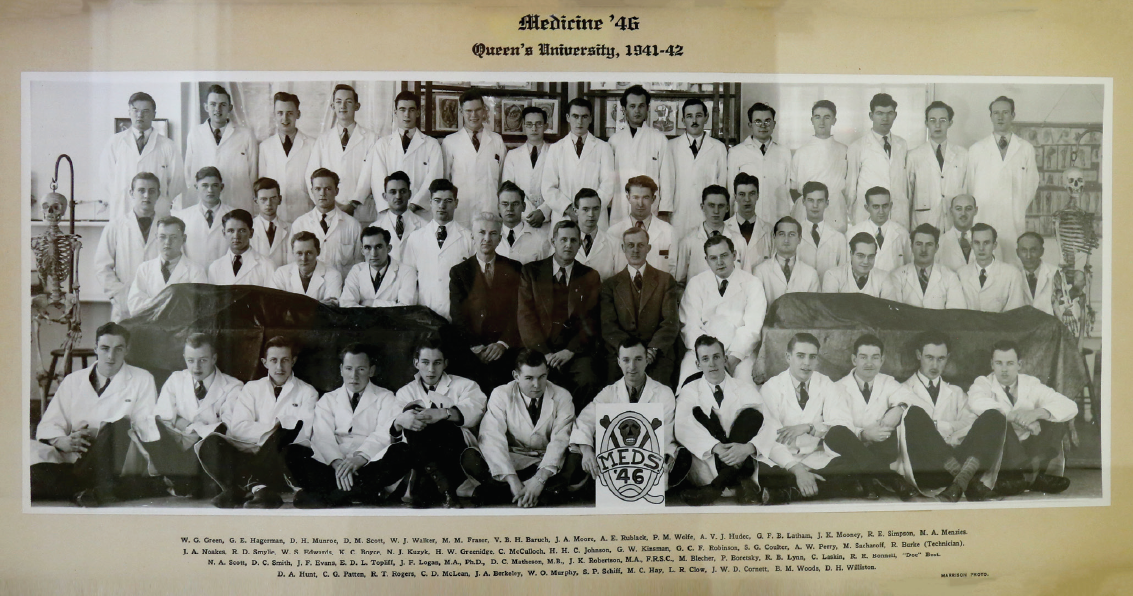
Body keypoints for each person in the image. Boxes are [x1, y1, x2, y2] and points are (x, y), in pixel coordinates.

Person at [30, 323, 160, 506]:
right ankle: (94, 489)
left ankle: (81, 487)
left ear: (126, 350)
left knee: (118, 426)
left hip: (116, 455)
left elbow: (148, 428)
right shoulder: (73, 381)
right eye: (105, 348)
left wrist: (102, 434)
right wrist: (64, 441)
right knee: (27, 465)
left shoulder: (142, 379)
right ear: (95, 349)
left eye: (118, 349)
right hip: (76, 457)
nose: (111, 356)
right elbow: (49, 424)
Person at [284, 344, 411, 508]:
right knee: (292, 452)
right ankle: (360, 491)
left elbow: (383, 434)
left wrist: (359, 458)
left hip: (368, 463)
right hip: (333, 466)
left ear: (371, 371)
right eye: (349, 369)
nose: (354, 376)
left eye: (361, 369)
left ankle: (333, 495)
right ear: (341, 370)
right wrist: (339, 465)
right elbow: (323, 437)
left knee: (402, 451)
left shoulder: (386, 397)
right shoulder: (328, 400)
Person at [197, 336, 318, 508]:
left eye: (285, 360)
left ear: (294, 361)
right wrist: (273, 429)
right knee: (209, 443)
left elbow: (305, 433)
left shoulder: (307, 392)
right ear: (264, 362)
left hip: (279, 462)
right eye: (274, 360)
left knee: (286, 433)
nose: (279, 367)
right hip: (249, 455)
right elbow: (238, 428)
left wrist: (275, 433)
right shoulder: (251, 389)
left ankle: (241, 489)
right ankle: (260, 490)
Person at [565, 337, 689, 498]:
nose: (632, 367)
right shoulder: (609, 392)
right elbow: (584, 421)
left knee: (677, 459)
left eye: (638, 359)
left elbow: (664, 435)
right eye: (626, 360)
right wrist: (587, 450)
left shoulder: (663, 393)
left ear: (647, 360)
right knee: (578, 458)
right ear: (618, 362)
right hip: (617, 461)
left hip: (650, 457)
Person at [896, 331, 1004, 502]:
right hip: (928, 470)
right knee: (914, 415)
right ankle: (970, 483)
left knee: (994, 415)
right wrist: (948, 428)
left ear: (948, 358)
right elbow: (912, 431)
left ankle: (959, 484)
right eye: (929, 357)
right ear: (918, 355)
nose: (935, 364)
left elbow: (971, 422)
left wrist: (938, 428)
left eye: (941, 359)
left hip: (960, 460)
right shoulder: (901, 390)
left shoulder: (956, 392)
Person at [460, 350, 574, 507]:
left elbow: (561, 439)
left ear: (547, 372)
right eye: (529, 378)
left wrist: (539, 479)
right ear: (516, 376)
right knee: (471, 457)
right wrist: (512, 479)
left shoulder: (562, 396)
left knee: (576, 457)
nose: (537, 384)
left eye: (542, 377)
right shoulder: (501, 394)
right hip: (514, 460)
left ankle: (498, 493)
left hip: (544, 462)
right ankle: (533, 494)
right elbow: (491, 437)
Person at [755, 333, 857, 504]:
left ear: (817, 360)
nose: (806, 363)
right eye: (800, 356)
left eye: (812, 357)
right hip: (784, 461)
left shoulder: (826, 384)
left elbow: (844, 426)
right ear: (788, 357)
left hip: (816, 457)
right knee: (760, 470)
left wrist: (809, 427)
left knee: (851, 464)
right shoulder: (771, 388)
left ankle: (789, 492)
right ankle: (830, 487)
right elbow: (768, 439)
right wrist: (798, 470)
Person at [967, 340, 1078, 496]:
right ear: (992, 364)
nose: (1004, 369)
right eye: (999, 363)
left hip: (1029, 447)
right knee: (996, 419)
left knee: (1056, 418)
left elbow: (1070, 406)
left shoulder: (1030, 383)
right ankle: (1033, 479)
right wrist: (1016, 417)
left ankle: (1027, 478)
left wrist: (1037, 413)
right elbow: (976, 402)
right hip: (1003, 451)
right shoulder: (983, 383)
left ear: (1019, 364)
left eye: (1010, 363)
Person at [144, 333, 243, 498]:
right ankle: (183, 481)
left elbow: (226, 427)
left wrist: (185, 424)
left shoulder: (233, 386)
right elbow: (163, 417)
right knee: (149, 424)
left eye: (203, 360)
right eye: (190, 361)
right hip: (175, 447)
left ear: (214, 358)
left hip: (202, 451)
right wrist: (201, 427)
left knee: (215, 440)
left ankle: (183, 483)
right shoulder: (176, 380)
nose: (196, 367)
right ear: (184, 358)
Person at [517, 220, 603, 409]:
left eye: (573, 240)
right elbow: (526, 318)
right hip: (540, 350)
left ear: (580, 244)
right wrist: (545, 354)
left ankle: (577, 429)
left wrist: (570, 351)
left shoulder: (590, 276)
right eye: (563, 239)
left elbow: (591, 320)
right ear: (553, 241)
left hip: (574, 352)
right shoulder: (531, 272)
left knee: (588, 379)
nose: (568, 245)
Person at [392, 339, 488, 508]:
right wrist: (401, 421)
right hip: (420, 451)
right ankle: (446, 488)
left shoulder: (465, 385)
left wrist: (444, 413)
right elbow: (395, 433)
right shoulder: (405, 392)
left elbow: (476, 412)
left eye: (437, 363)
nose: (431, 369)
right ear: (416, 363)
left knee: (437, 424)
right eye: (425, 362)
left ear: (445, 364)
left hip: (455, 447)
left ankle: (430, 485)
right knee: (413, 416)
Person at [675, 335, 766, 506]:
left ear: (725, 359)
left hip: (742, 454)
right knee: (698, 416)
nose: (712, 364)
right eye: (705, 359)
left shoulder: (745, 389)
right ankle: (743, 482)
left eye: (716, 357)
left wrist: (748, 447)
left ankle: (715, 488)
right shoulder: (690, 391)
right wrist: (715, 447)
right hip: (709, 462)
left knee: (752, 416)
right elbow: (682, 428)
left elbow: (767, 424)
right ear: (697, 364)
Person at [829, 335, 917, 500]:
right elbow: (838, 424)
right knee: (836, 433)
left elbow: (909, 397)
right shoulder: (838, 387)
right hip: (852, 447)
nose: (869, 363)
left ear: (882, 360)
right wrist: (864, 434)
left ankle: (868, 478)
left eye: (875, 358)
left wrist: (899, 408)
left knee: (900, 417)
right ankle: (889, 478)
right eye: (863, 357)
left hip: (881, 448)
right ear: (854, 359)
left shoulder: (887, 382)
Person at [678, 235, 767, 386]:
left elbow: (752, 328)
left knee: (746, 390)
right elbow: (689, 326)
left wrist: (731, 360)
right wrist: (708, 358)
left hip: (740, 354)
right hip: (701, 354)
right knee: (689, 388)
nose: (719, 262)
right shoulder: (696, 284)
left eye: (724, 256)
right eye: (713, 258)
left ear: (734, 255)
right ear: (706, 260)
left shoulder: (752, 283)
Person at [449, 212, 522, 391]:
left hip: (505, 348)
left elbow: (520, 311)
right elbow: (458, 315)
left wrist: (502, 343)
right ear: (473, 235)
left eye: (493, 233)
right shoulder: (459, 272)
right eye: (481, 232)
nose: (487, 238)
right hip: (473, 348)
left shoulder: (515, 268)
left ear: (500, 238)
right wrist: (475, 346)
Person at [600, 227, 681, 385]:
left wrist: (652, 349)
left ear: (648, 248)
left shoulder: (665, 281)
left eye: (640, 245)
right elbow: (608, 325)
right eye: (630, 245)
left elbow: (670, 323)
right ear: (623, 248)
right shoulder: (610, 284)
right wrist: (631, 353)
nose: (635, 250)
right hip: (622, 354)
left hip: (656, 354)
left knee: (659, 389)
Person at [966, 96, 1039, 266]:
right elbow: (970, 186)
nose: (1000, 117)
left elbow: (1031, 186)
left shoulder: (1026, 149)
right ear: (990, 116)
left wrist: (1016, 206)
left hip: (1013, 220)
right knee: (983, 266)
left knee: (1012, 267)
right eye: (996, 113)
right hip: (984, 217)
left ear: (1013, 115)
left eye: (1005, 112)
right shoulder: (976, 150)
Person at [97, 91, 183, 219]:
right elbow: (106, 179)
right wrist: (120, 197)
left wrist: (163, 201)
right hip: (123, 210)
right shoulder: (115, 143)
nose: (140, 115)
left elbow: (177, 182)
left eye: (146, 111)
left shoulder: (168, 146)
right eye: (135, 110)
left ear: (154, 114)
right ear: (129, 112)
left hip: (157, 211)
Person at [357, 90, 444, 215]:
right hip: (390, 212)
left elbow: (434, 178)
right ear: (395, 113)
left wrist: (415, 205)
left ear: (419, 112)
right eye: (402, 109)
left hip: (420, 212)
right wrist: (390, 208)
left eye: (412, 110)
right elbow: (378, 179)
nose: (407, 114)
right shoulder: (382, 144)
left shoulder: (431, 144)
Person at [403, 178, 474, 319]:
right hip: (425, 315)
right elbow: (408, 281)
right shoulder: (415, 238)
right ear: (430, 203)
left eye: (448, 201)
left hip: (458, 316)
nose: (442, 205)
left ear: (456, 203)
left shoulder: (469, 237)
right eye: (437, 200)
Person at [305, 84, 377, 224]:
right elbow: (311, 174)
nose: (343, 106)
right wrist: (330, 204)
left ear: (357, 106)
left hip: (361, 211)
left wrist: (353, 203)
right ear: (332, 106)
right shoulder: (323, 139)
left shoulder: (372, 138)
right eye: (338, 102)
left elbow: (370, 175)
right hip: (330, 209)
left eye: (348, 102)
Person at [94, 172, 161, 321]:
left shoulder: (166, 227)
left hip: (159, 304)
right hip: (125, 305)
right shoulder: (115, 226)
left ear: (158, 194)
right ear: (132, 193)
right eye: (141, 190)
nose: (146, 195)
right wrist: (120, 295)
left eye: (151, 191)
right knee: (124, 343)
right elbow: (102, 266)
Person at [541, 97, 616, 229]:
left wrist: (588, 211)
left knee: (595, 248)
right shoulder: (556, 148)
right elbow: (548, 187)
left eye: (584, 116)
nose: (579, 121)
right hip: (564, 216)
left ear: (590, 119)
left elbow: (608, 186)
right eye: (575, 116)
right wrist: (571, 210)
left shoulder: (603, 147)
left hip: (595, 217)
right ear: (568, 117)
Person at [183, 84, 258, 213]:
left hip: (237, 201)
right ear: (206, 107)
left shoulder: (246, 134)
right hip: (206, 203)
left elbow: (254, 173)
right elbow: (188, 173)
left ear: (230, 107)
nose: (217, 109)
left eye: (223, 105)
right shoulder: (195, 133)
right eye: (213, 104)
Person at [660, 99, 728, 237]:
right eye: (689, 116)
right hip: (679, 212)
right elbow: (667, 181)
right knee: (678, 252)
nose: (694, 120)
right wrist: (665, 211)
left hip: (708, 214)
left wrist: (719, 210)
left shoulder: (718, 147)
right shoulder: (672, 146)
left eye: (698, 115)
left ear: (706, 117)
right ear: (683, 120)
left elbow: (722, 182)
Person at [443, 89, 508, 228]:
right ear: (461, 112)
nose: (474, 115)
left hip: (490, 210)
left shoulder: (496, 140)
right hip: (461, 212)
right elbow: (445, 180)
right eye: (469, 111)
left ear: (484, 111)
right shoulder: (450, 142)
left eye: (478, 110)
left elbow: (503, 179)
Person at [846, 93, 910, 228]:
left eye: (889, 113)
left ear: (895, 115)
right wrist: (851, 219)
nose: (885, 118)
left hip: (898, 213)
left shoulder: (902, 144)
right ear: (871, 116)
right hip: (867, 216)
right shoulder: (857, 147)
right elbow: (850, 188)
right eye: (880, 113)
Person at [607, 85, 668, 224]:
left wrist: (664, 210)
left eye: (641, 106)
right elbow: (609, 179)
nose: (637, 111)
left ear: (647, 108)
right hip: (621, 207)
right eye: (632, 106)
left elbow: (666, 178)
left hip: (650, 207)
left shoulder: (659, 139)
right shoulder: (614, 141)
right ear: (624, 109)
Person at [289, 168, 363, 278]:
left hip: (342, 289)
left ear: (336, 191)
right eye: (318, 189)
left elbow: (359, 265)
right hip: (309, 289)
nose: (322, 193)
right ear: (312, 191)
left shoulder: (353, 225)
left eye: (328, 189)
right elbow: (292, 263)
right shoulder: (300, 224)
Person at [727, 102, 792, 227]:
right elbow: (732, 193)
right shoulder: (736, 152)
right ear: (750, 125)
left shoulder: (784, 152)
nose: (763, 125)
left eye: (767, 121)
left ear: (774, 124)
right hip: (746, 221)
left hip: (777, 219)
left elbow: (786, 190)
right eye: (757, 121)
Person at [127, 216, 207, 315]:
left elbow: (200, 308)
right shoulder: (144, 269)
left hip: (182, 329)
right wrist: (171, 303)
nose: (167, 242)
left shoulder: (196, 271)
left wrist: (154, 304)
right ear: (156, 238)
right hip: (148, 328)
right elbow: (134, 306)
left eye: (173, 237)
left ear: (184, 239)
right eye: (162, 237)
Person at [907, 101, 967, 231]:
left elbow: (967, 191)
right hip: (923, 223)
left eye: (943, 120)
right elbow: (908, 196)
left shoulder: (963, 154)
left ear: (950, 123)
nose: (938, 125)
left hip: (953, 222)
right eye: (933, 120)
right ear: (926, 123)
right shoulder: (914, 156)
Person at [790, 100, 848, 232]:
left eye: (827, 117)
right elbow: (793, 188)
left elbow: (849, 188)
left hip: (835, 212)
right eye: (817, 117)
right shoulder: (801, 152)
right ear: (812, 120)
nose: (822, 122)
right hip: (806, 212)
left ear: (834, 120)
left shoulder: (844, 151)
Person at [672, 185, 747, 285]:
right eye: (711, 205)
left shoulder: (739, 241)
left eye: (720, 206)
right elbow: (679, 282)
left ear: (727, 208)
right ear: (702, 207)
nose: (716, 211)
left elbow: (747, 280)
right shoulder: (688, 242)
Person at [258, 92, 314, 223]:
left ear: (298, 114)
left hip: (304, 211)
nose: (285, 118)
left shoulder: (313, 144)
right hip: (276, 214)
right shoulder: (265, 147)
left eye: (289, 113)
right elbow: (262, 185)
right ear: (274, 115)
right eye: (280, 113)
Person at [606, 175, 674, 274]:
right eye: (635, 197)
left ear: (653, 199)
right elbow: (610, 271)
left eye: (646, 197)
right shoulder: (613, 232)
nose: (640, 203)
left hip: (659, 289)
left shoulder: (669, 231)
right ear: (628, 198)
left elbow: (673, 271)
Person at [889, 223, 967, 309]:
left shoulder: (950, 277)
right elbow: (894, 313)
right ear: (911, 247)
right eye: (919, 244)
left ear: (936, 248)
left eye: (929, 244)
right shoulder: (897, 276)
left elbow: (956, 314)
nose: (923, 249)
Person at [339, 226, 418, 308]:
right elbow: (346, 304)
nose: (373, 254)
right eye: (368, 248)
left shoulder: (407, 272)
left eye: (378, 247)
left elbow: (406, 307)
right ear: (362, 251)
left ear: (389, 248)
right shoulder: (357, 270)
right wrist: (391, 304)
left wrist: (371, 303)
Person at [956, 223, 1028, 312]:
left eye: (986, 243)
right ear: (972, 245)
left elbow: (1015, 313)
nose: (981, 248)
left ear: (994, 245)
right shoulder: (961, 274)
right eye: (977, 243)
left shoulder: (1012, 274)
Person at [501, 105, 552, 226]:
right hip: (521, 217)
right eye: (529, 124)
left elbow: (560, 187)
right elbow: (509, 188)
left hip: (549, 218)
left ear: (546, 126)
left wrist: (543, 211)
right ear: (523, 127)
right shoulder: (513, 155)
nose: (534, 128)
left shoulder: (555, 152)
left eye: (538, 124)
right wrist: (529, 211)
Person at [752, 216, 821, 304]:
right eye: (781, 234)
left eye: (791, 234)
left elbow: (814, 309)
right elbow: (757, 309)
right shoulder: (760, 271)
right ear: (774, 237)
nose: (786, 240)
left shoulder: (811, 274)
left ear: (799, 239)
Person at [173, 167, 232, 269]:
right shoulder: (182, 217)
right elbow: (179, 251)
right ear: (196, 187)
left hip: (225, 274)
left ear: (221, 187)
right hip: (193, 276)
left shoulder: (234, 215)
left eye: (215, 185)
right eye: (205, 185)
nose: (210, 190)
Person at [846, 186, 911, 273]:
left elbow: (909, 265)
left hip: (894, 284)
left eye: (885, 206)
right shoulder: (853, 233)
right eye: (876, 207)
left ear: (891, 206)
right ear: (867, 208)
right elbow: (848, 267)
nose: (881, 211)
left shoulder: (902, 233)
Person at [206, 209, 276, 287]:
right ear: (224, 233)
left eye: (242, 231)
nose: (236, 236)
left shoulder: (266, 265)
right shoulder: (215, 267)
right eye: (230, 231)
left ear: (251, 233)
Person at [269, 232, 343, 304]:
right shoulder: (281, 273)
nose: (304, 258)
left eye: (309, 253)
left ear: (318, 252)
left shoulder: (333, 275)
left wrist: (291, 305)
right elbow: (276, 305)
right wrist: (318, 304)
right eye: (299, 253)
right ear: (293, 253)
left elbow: (331, 309)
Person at [794, 181, 848, 279]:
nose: (815, 205)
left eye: (820, 200)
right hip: (802, 292)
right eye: (810, 200)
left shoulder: (838, 238)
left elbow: (843, 274)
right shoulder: (794, 235)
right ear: (803, 202)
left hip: (830, 293)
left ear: (827, 203)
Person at [371, 171, 427, 262]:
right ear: (385, 196)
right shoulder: (375, 228)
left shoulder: (425, 226)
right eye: (393, 192)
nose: (398, 196)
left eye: (403, 191)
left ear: (409, 194)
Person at [821, 232, 897, 299]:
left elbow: (889, 312)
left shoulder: (883, 277)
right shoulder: (833, 275)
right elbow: (828, 311)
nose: (866, 261)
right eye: (860, 256)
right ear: (851, 254)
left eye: (871, 256)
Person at [572, 188, 623, 280]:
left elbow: (620, 281)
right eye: (586, 209)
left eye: (595, 209)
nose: (591, 214)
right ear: (575, 211)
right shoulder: (563, 242)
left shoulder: (615, 243)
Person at [496, 181, 551, 264]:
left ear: (524, 207)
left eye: (515, 204)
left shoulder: (540, 241)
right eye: (505, 204)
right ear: (498, 208)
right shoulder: (491, 238)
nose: (510, 209)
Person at [726, 173, 772, 271]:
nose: (747, 199)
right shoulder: (724, 228)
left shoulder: (770, 230)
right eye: (742, 194)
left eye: (751, 194)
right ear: (735, 197)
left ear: (758, 196)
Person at [249, 177, 291, 269]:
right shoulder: (248, 228)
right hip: (257, 281)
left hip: (282, 281)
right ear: (255, 201)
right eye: (263, 199)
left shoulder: (290, 229)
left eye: (273, 198)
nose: (268, 203)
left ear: (280, 199)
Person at [1017, 232, 1058, 315]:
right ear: (1017, 252)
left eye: (1033, 250)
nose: (1028, 256)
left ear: (1042, 251)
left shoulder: (1056, 273)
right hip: (1020, 326)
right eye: (1024, 250)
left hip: (1049, 326)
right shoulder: (1012, 275)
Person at [936, 194, 980, 271]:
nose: (963, 213)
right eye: (958, 209)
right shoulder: (939, 242)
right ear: (951, 211)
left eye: (968, 209)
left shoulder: (988, 240)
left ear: (975, 211)